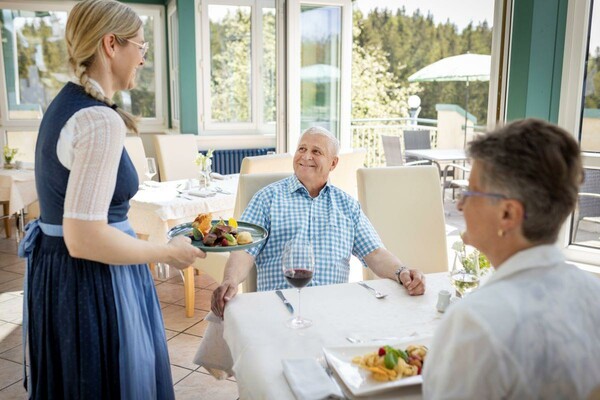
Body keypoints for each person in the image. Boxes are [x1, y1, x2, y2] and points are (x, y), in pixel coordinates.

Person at [18, 1, 205, 398]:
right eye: (140, 46)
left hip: (57, 274)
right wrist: (167, 253)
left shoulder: (64, 105)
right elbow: (84, 238)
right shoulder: (98, 120)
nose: (143, 57)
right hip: (93, 280)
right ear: (110, 44)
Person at [423, 119, 600, 399]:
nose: (459, 204)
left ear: (507, 214)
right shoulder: (593, 295)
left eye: (469, 192)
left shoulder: (478, 322)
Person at [211, 127, 426, 317]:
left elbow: (376, 254)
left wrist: (402, 272)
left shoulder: (347, 206)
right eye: (302, 149)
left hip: (332, 313)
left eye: (316, 151)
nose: (306, 156)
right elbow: (244, 251)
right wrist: (230, 280)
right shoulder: (267, 198)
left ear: (333, 163)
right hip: (277, 311)